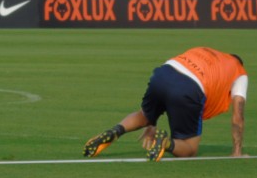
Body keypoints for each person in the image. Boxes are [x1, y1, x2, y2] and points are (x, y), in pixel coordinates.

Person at [83, 47, 248, 161]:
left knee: (144, 115)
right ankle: (165, 143)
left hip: (164, 72)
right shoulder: (238, 71)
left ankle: (115, 131)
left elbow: (172, 80)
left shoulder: (206, 51)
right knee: (190, 149)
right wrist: (237, 152)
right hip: (190, 87)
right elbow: (238, 116)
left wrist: (152, 122)